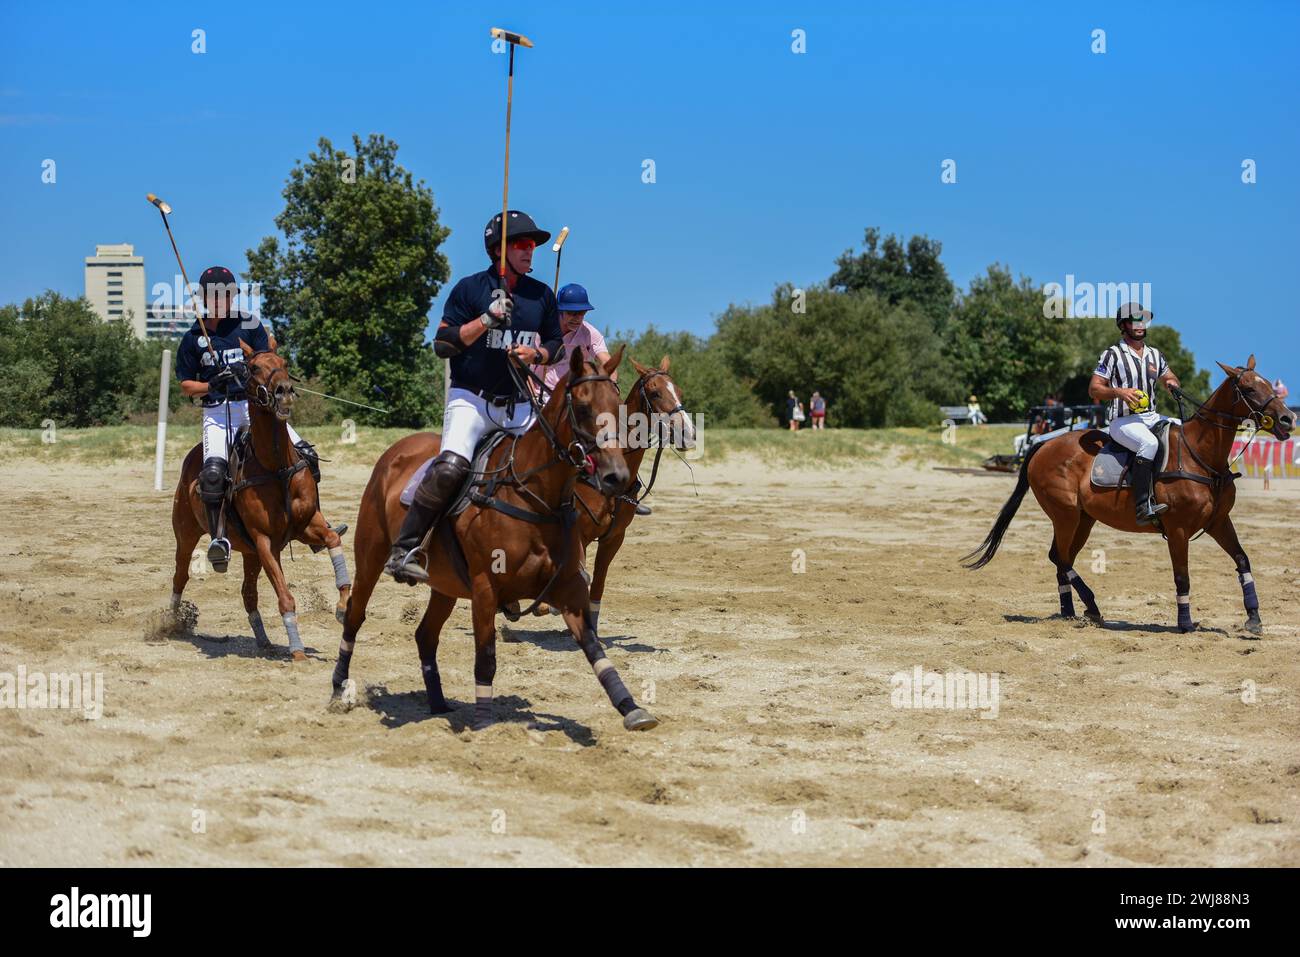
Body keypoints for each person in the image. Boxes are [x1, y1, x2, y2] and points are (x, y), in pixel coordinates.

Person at [385, 210, 564, 585]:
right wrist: (485, 320)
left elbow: (556, 345)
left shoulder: (541, 296)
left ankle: (553, 553)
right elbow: (442, 344)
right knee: (450, 467)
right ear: (498, 250)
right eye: (522, 244)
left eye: (533, 245)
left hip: (518, 405)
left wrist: (538, 355)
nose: (531, 251)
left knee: (556, 462)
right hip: (473, 402)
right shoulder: (470, 290)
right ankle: (408, 548)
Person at [175, 266, 341, 572]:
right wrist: (213, 384)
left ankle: (315, 523)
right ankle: (219, 539)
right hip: (218, 413)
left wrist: (251, 369)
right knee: (212, 475)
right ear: (205, 298)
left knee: (306, 455)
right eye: (215, 296)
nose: (222, 301)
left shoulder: (250, 325)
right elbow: (186, 386)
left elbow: (267, 360)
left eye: (227, 295)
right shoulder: (194, 338)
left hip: (254, 410)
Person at [1088, 302, 1182, 525]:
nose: (1140, 325)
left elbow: (1170, 377)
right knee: (1148, 443)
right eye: (1134, 321)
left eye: (1143, 321)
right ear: (1123, 325)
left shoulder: (1155, 355)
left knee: (1182, 429)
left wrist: (1171, 384)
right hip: (1123, 421)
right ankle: (1142, 505)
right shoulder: (1112, 354)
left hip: (1151, 416)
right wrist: (1119, 392)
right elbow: (1094, 388)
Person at [529, 282, 612, 398]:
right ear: (559, 311)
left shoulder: (589, 333)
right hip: (537, 395)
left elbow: (607, 362)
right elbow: (522, 367)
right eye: (572, 313)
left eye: (582, 313)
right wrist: (532, 396)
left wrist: (611, 388)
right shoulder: (538, 330)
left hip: (573, 397)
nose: (577, 319)